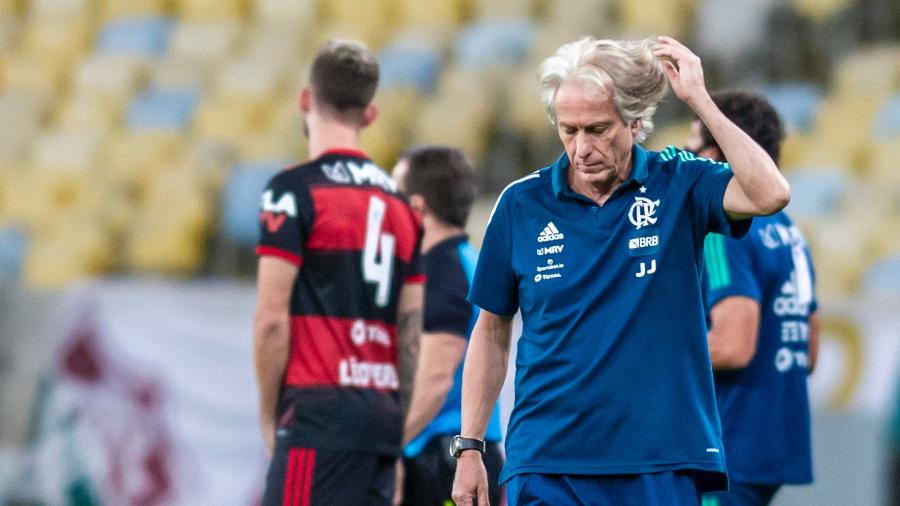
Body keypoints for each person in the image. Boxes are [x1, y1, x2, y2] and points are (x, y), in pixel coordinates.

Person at [451, 36, 791, 505]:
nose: (581, 148)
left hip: (660, 459)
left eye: (597, 129)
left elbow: (769, 193)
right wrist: (470, 447)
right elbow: (491, 331)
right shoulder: (520, 204)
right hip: (547, 461)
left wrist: (700, 101)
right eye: (568, 130)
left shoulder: (680, 182)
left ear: (635, 122)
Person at [253, 39, 424, 506]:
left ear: (305, 100)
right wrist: (394, 429)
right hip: (381, 418)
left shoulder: (292, 191)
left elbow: (271, 320)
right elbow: (410, 334)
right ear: (369, 115)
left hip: (318, 416)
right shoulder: (401, 206)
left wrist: (270, 417)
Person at [687, 91, 819, 506]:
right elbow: (810, 352)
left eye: (693, 147)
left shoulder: (727, 228)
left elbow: (732, 345)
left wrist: (646, 358)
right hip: (772, 446)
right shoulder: (788, 230)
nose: (685, 158)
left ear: (719, 149)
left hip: (729, 446)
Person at [391, 146, 505, 506]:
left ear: (417, 207)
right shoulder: (466, 260)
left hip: (442, 460)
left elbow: (435, 377)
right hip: (460, 453)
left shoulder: (441, 273)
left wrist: (383, 450)